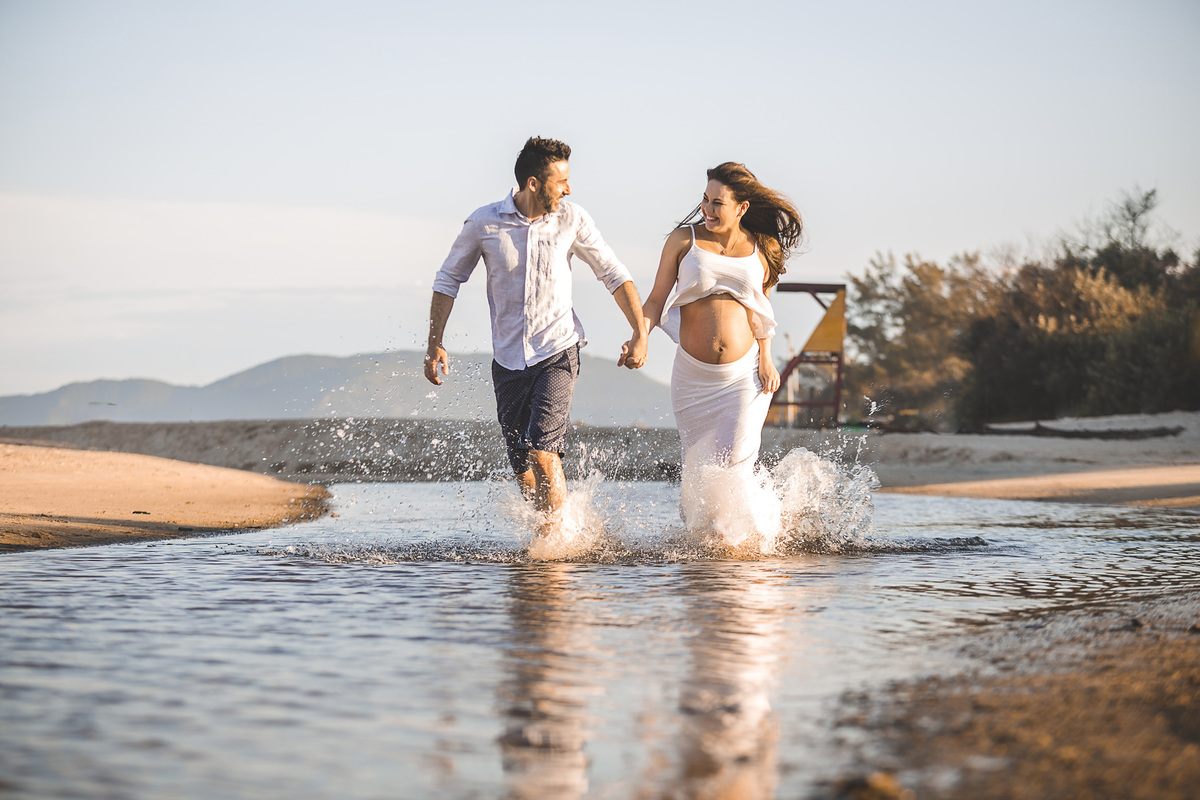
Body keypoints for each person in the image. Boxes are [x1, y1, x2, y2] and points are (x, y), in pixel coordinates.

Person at [424, 136, 648, 535]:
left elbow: (614, 273)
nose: (568, 189)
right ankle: (545, 533)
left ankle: (557, 543)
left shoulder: (572, 219)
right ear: (533, 183)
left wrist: (639, 332)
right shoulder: (484, 223)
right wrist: (434, 342)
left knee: (544, 452)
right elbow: (448, 279)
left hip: (558, 350)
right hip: (508, 361)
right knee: (523, 467)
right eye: (561, 180)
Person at [641, 162, 802, 532]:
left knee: (733, 467)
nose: (708, 209)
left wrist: (766, 358)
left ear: (741, 208)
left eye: (717, 203)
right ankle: (711, 548)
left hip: (745, 376)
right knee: (699, 470)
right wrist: (640, 338)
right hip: (693, 377)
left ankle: (746, 546)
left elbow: (759, 310)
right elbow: (655, 301)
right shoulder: (684, 240)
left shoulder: (763, 248)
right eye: (705, 200)